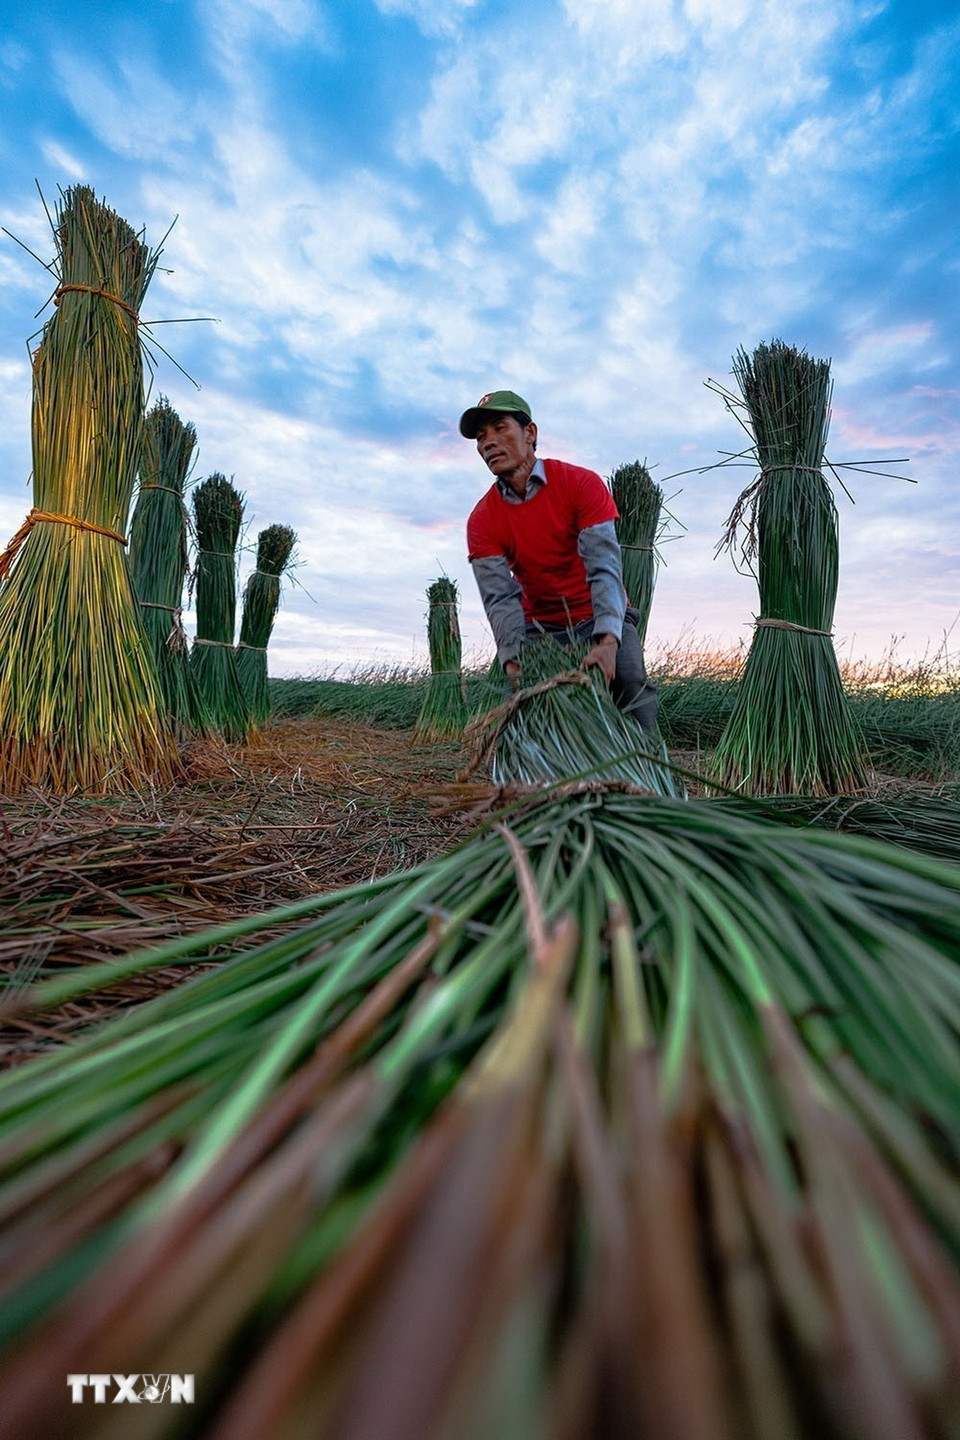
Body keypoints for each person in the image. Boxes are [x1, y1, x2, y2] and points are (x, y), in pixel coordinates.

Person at [462, 389, 657, 733]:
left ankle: (652, 778)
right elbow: (499, 599)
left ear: (530, 433)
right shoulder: (482, 519)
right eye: (480, 437)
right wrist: (512, 662)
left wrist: (608, 641)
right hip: (542, 630)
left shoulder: (580, 484)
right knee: (537, 718)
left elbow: (604, 568)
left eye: (499, 428)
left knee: (630, 684)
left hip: (598, 614)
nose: (488, 443)